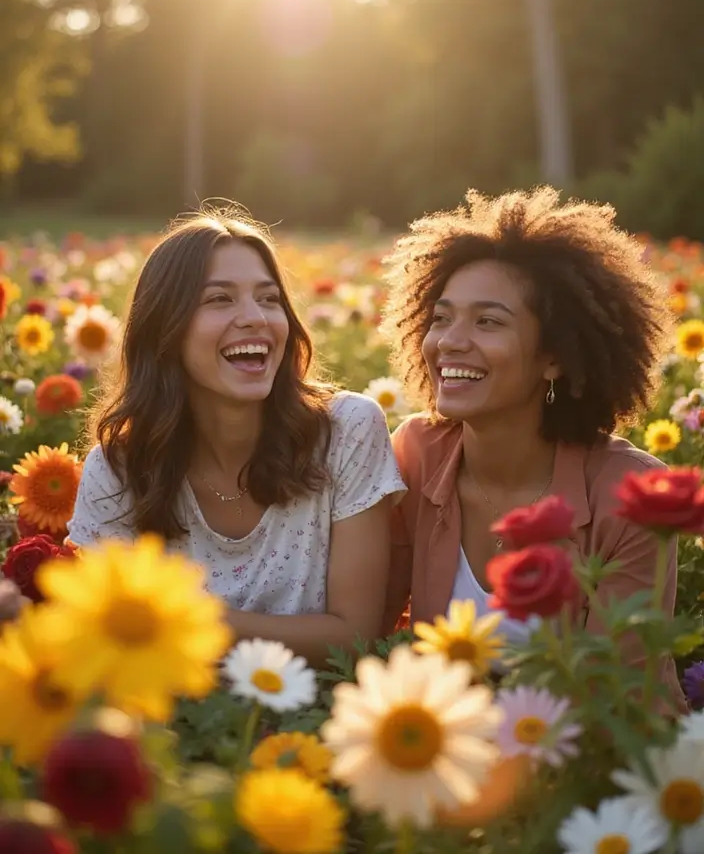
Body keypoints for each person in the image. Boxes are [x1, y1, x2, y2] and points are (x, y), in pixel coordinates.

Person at [380, 186, 686, 709]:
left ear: (554, 357)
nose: (449, 341)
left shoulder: (631, 495)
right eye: (441, 318)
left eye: (488, 321)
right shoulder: (416, 454)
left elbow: (615, 697)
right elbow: (370, 634)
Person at [67, 207, 405, 666]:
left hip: (317, 707)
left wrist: (178, 618)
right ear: (165, 328)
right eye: (219, 299)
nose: (255, 318)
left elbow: (352, 638)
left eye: (269, 299)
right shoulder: (117, 471)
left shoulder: (347, 431)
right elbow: (113, 647)